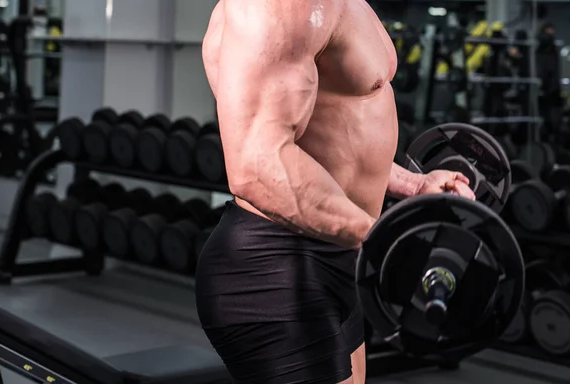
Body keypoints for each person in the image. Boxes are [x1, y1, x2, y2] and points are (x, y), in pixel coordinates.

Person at [195, 1, 476, 383]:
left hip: (340, 254)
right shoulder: (279, 6)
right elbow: (258, 163)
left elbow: (331, 139)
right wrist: (382, 238)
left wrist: (412, 184)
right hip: (278, 269)